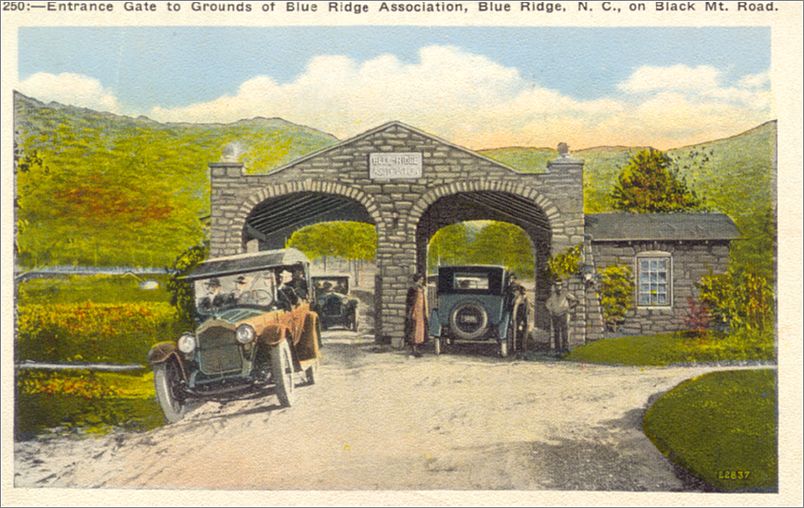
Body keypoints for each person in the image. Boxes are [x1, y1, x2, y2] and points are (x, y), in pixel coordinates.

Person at [545, 281, 578, 354]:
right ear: (555, 287)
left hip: (564, 314)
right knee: (556, 332)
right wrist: (551, 310)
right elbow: (547, 304)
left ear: (561, 286)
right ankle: (557, 349)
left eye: (559, 286)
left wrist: (569, 307)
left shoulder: (565, 293)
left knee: (565, 331)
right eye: (556, 286)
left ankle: (565, 348)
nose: (558, 287)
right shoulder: (553, 295)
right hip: (555, 315)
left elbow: (575, 300)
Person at [404, 273, 428, 358]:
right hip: (415, 312)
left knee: (420, 331)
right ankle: (413, 350)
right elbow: (409, 302)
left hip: (421, 312)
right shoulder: (412, 289)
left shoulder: (421, 288)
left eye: (422, 280)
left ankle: (417, 349)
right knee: (413, 330)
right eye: (420, 279)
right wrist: (411, 312)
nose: (422, 281)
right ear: (417, 280)